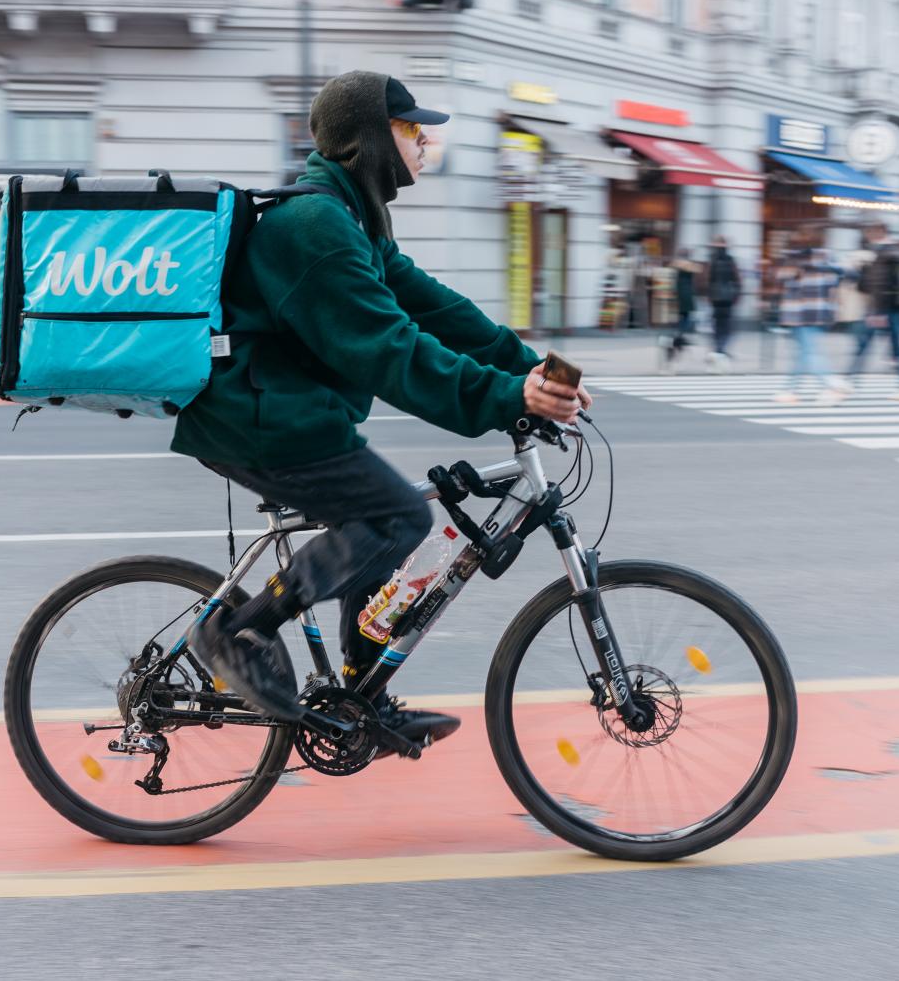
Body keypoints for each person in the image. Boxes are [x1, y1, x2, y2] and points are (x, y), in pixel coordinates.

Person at [172, 71, 591, 747]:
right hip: (259, 419)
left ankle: (360, 697)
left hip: (292, 413)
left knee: (379, 524)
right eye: (411, 128)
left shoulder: (350, 217)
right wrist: (503, 396)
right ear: (367, 138)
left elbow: (433, 307)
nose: (425, 141)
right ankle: (237, 628)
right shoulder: (315, 226)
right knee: (396, 515)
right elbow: (390, 349)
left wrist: (528, 367)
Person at [847, 224, 899, 401]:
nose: (869, 237)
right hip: (878, 308)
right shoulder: (874, 255)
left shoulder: (890, 252)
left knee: (894, 347)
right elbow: (865, 286)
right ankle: (850, 381)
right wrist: (860, 269)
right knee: (867, 344)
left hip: (889, 310)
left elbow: (877, 283)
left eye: (870, 233)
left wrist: (871, 261)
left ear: (880, 233)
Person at [773, 248, 848, 405]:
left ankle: (831, 385)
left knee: (811, 353)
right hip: (818, 315)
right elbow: (835, 286)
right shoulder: (827, 268)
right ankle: (790, 390)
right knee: (803, 354)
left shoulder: (795, 266)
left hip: (800, 316)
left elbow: (780, 277)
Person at [659, 248, 700, 372]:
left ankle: (671, 357)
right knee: (679, 333)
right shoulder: (687, 267)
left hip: (678, 304)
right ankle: (673, 355)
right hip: (683, 304)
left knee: (676, 333)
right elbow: (696, 269)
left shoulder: (676, 266)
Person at [706, 236, 741, 371]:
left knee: (716, 325)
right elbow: (737, 280)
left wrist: (708, 296)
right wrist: (736, 295)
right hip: (728, 298)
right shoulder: (731, 260)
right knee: (726, 326)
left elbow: (707, 279)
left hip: (715, 298)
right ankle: (722, 348)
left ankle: (717, 349)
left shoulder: (712, 260)